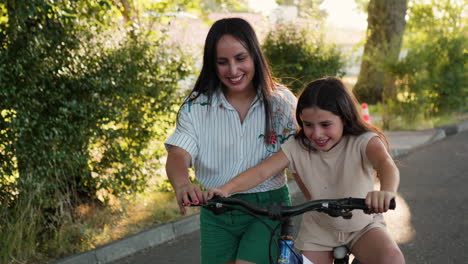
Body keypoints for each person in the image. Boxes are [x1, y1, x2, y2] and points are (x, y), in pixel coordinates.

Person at [204, 77, 406, 264]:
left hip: (363, 226)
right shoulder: (297, 146)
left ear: (344, 118)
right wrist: (226, 189)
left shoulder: (363, 141)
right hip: (318, 232)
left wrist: (386, 191)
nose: (316, 134)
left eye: (326, 124)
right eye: (308, 125)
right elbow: (261, 172)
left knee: (392, 258)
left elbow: (386, 164)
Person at [164, 17, 297, 264]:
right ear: (212, 65)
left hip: (267, 207)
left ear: (255, 56)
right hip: (216, 210)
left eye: (240, 58)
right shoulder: (197, 106)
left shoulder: (282, 103)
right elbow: (178, 155)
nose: (233, 70)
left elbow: (301, 158)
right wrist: (182, 184)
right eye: (222, 62)